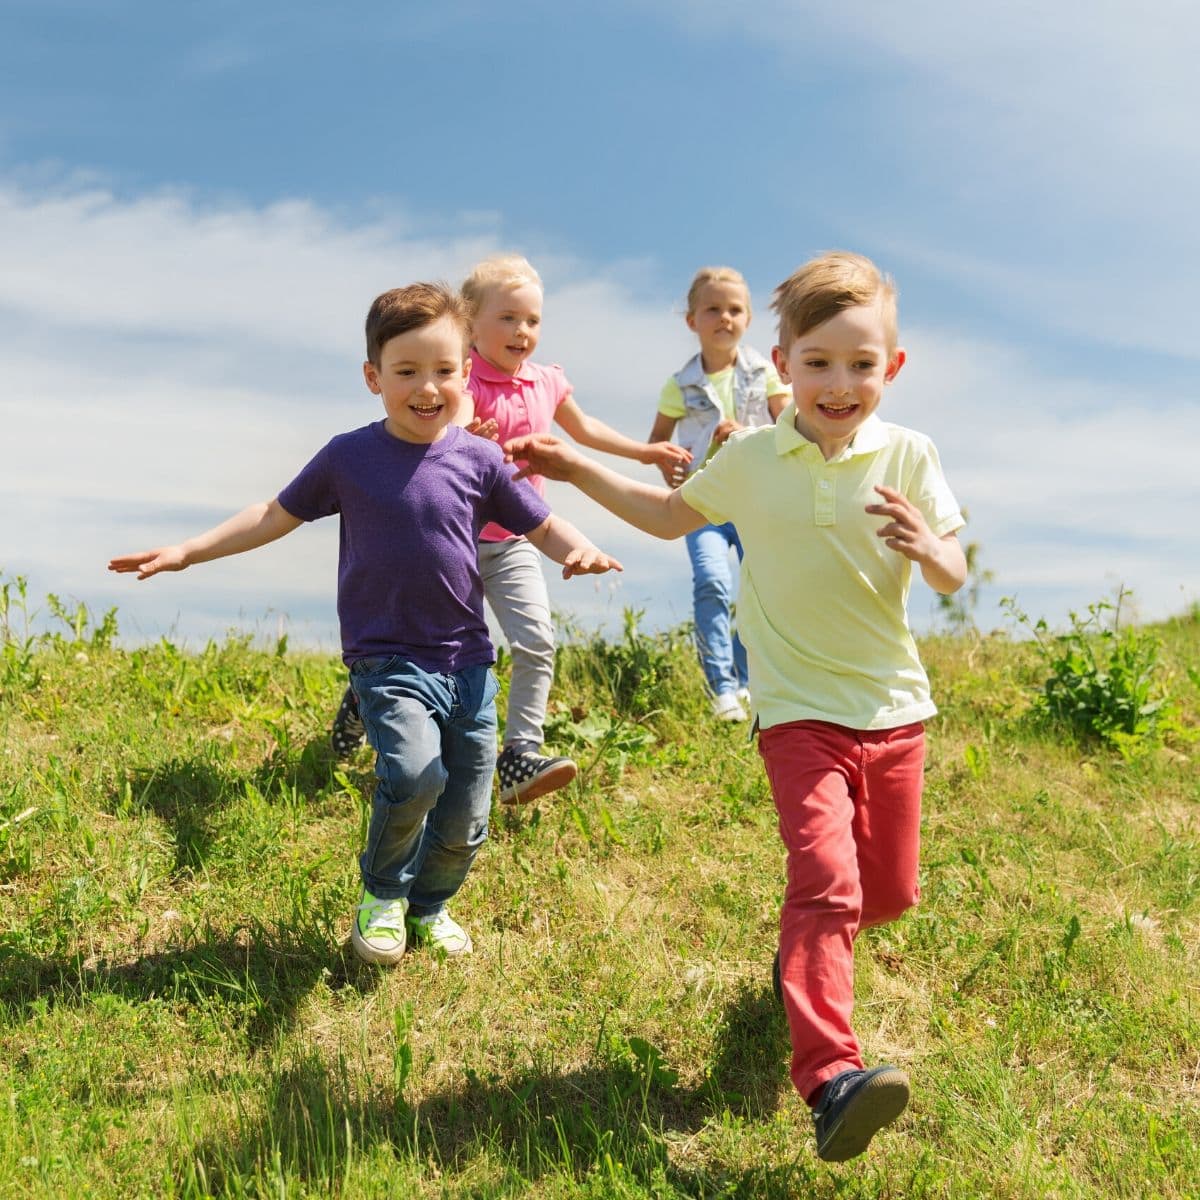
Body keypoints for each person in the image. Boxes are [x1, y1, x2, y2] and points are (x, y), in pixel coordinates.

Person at [505, 252, 967, 1162]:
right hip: (797, 712)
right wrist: (569, 464)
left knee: (890, 894)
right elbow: (668, 514)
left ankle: (806, 958)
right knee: (826, 883)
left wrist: (929, 549)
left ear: (894, 368)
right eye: (820, 363)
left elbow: (952, 567)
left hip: (894, 711)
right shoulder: (752, 458)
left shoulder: (911, 454)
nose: (841, 384)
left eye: (863, 364)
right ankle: (831, 1077)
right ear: (780, 363)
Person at [109, 282, 620, 965]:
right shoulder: (350, 457)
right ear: (373, 376)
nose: (427, 387)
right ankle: (382, 895)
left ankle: (429, 908)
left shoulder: (479, 459)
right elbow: (274, 512)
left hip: (468, 664)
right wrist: (187, 551)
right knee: (415, 775)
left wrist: (576, 548)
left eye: (443, 370)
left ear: (466, 373)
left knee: (467, 819)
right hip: (388, 659)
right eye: (406, 371)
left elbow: (541, 523)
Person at [331, 254, 691, 805]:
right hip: (452, 542)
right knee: (424, 651)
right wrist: (464, 430)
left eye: (533, 320)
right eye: (508, 319)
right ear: (471, 325)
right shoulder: (461, 377)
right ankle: (368, 696)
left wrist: (643, 452)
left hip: (516, 539)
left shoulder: (546, 381)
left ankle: (522, 751)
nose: (523, 331)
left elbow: (585, 430)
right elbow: (438, 421)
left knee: (537, 639)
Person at [647, 267, 791, 721]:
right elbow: (659, 443)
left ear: (748, 318)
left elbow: (790, 427)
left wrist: (745, 433)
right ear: (692, 320)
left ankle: (749, 681)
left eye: (735, 309)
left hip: (755, 501)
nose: (724, 317)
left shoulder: (765, 372)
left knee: (759, 588)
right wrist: (679, 461)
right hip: (703, 502)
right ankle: (722, 688)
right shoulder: (680, 383)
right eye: (713, 308)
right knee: (713, 581)